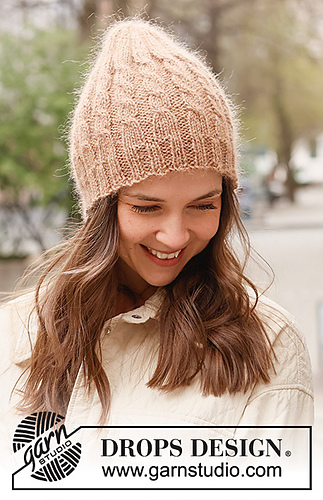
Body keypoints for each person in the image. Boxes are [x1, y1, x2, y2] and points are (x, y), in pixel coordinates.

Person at [0, 19, 313, 489]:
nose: (174, 236)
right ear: (101, 208)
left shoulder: (265, 349)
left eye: (203, 205)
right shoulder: (15, 335)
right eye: (147, 207)